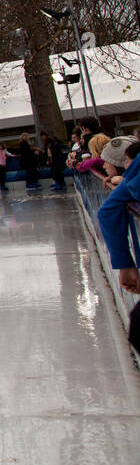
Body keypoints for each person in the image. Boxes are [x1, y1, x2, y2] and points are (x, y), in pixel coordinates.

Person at [95, 137, 140, 349]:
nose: (103, 166)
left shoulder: (133, 175)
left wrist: (125, 264)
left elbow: (107, 212)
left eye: (106, 161)